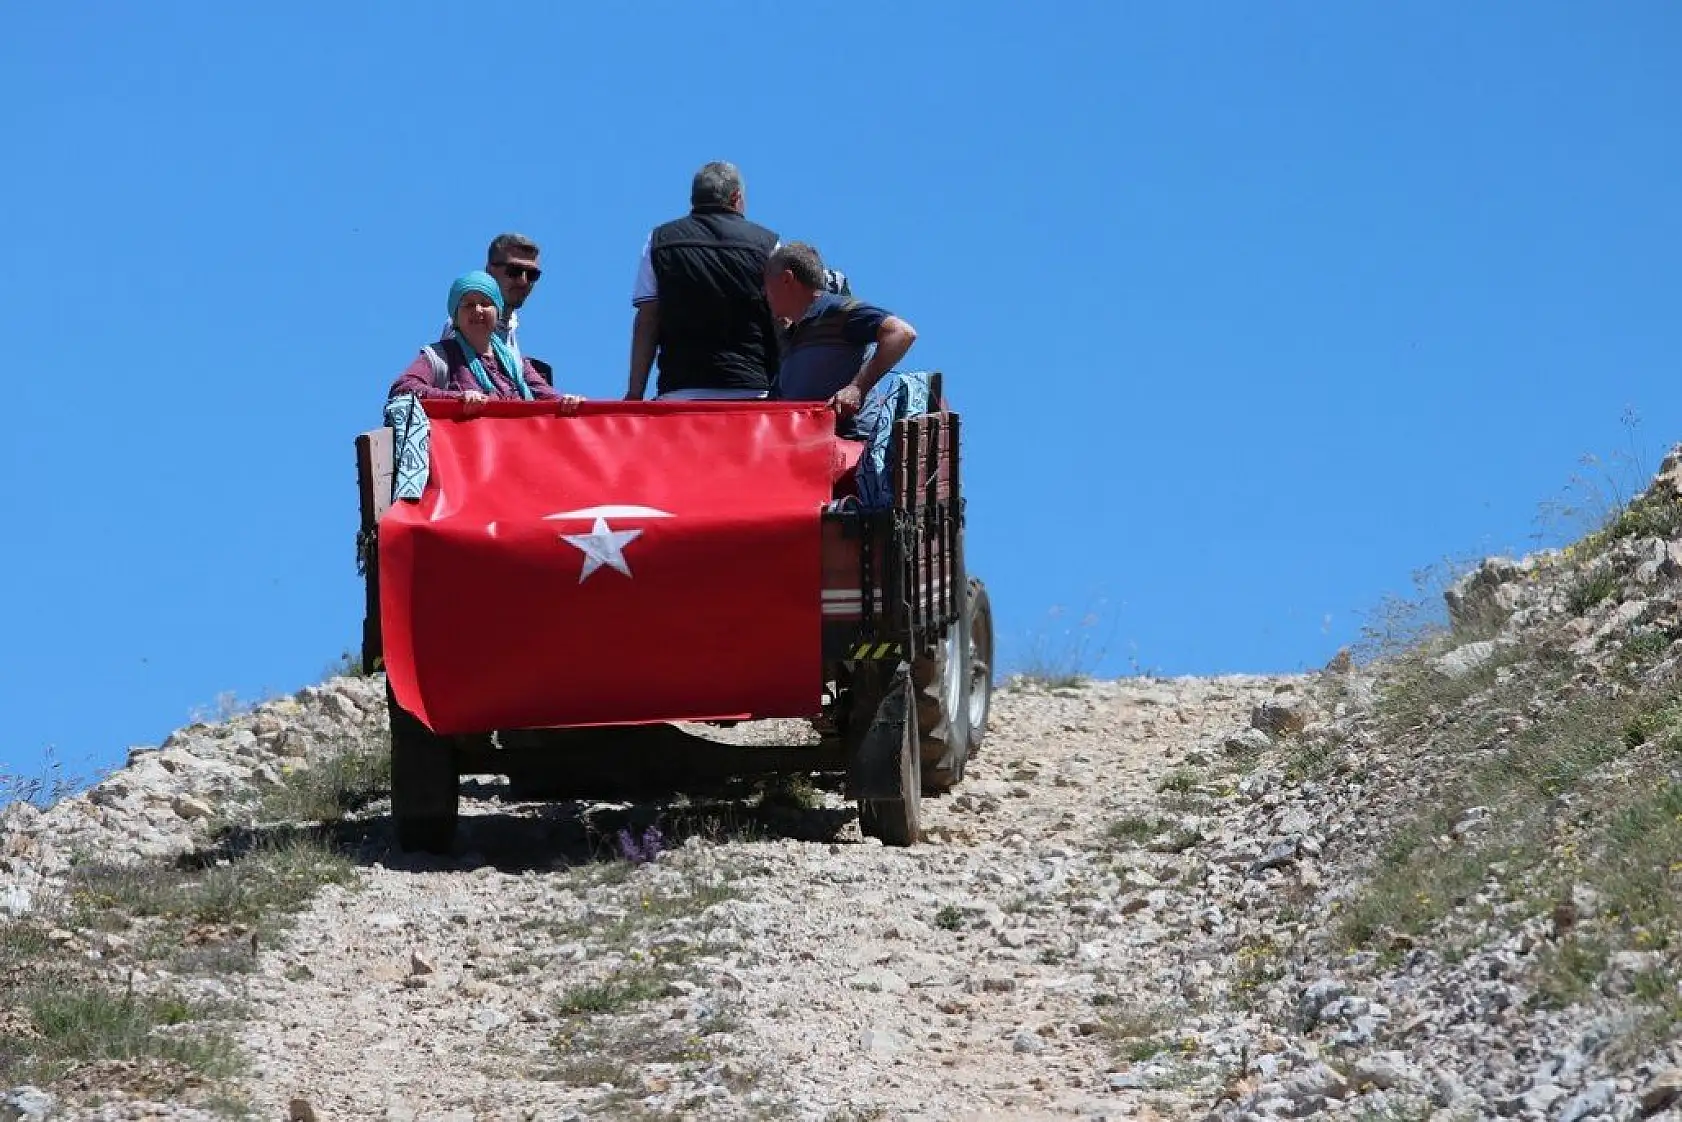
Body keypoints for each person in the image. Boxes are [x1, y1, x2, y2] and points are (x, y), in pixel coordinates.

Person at [625, 161, 782, 402]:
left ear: (694, 198)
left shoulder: (658, 242)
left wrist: (635, 393)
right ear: (736, 197)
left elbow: (648, 319)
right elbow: (781, 318)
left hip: (680, 393)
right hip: (753, 392)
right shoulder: (768, 245)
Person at [763, 242, 917, 424]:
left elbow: (901, 333)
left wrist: (857, 388)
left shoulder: (838, 311)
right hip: (807, 441)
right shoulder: (791, 334)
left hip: (847, 443)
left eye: (767, 284)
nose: (765, 294)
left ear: (787, 279)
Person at [391, 271, 581, 414]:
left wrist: (568, 401)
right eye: (468, 304)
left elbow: (545, 395)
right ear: (455, 318)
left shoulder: (516, 363)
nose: (478, 310)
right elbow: (403, 389)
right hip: (468, 458)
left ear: (497, 313)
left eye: (485, 302)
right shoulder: (440, 356)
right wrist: (458, 400)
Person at [439, 233, 544, 375]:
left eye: (532, 274)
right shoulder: (469, 322)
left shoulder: (509, 323)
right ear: (489, 272)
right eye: (514, 271)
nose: (523, 281)